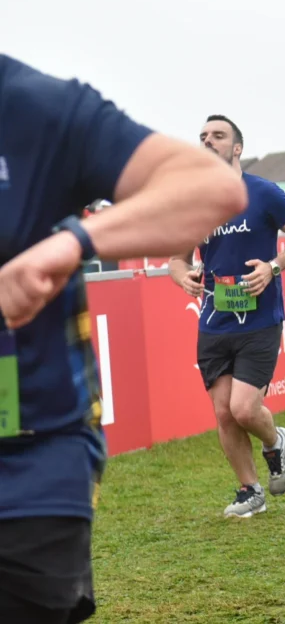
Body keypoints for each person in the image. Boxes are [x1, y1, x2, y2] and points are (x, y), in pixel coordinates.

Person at [0, 55, 248, 623]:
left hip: (27, 464)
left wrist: (68, 244)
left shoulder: (39, 107)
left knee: (242, 404)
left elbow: (211, 189)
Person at [169, 115, 285, 518]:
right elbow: (176, 260)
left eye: (218, 135)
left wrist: (272, 266)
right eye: (202, 137)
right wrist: (185, 278)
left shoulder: (264, 193)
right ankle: (249, 490)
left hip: (260, 318)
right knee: (222, 412)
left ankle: (275, 443)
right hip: (213, 320)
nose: (208, 141)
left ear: (237, 148)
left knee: (245, 409)